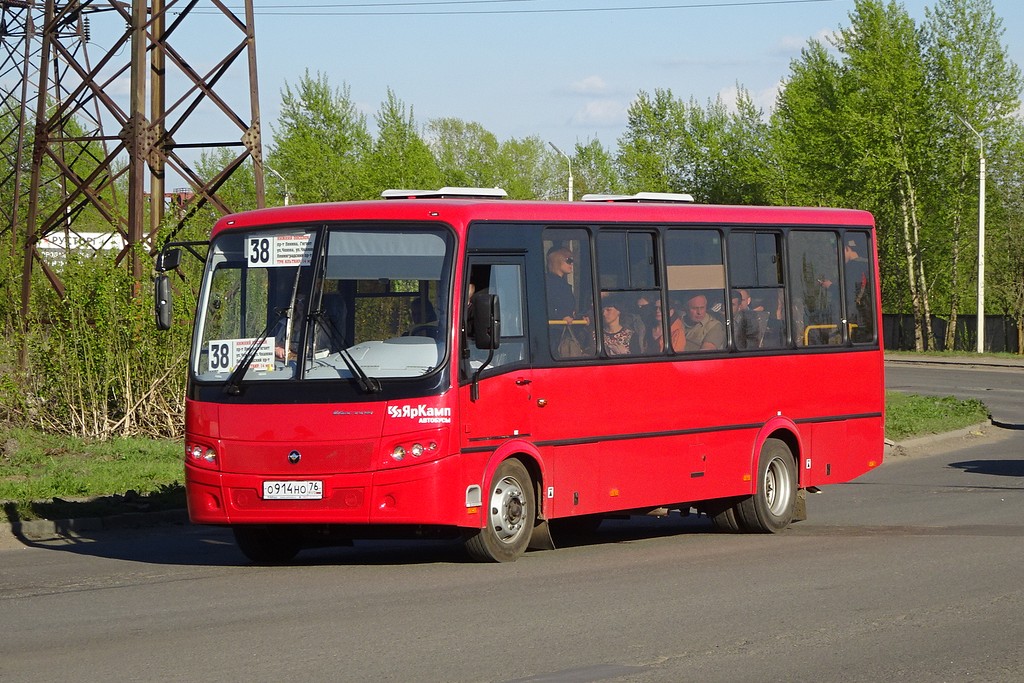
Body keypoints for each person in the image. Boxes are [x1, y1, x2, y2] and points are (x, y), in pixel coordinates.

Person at [545, 247, 578, 323]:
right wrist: (561, 317)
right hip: (554, 330)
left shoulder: (564, 284)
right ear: (556, 260)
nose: (572, 263)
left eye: (572, 260)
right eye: (569, 260)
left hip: (565, 329)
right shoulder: (548, 283)